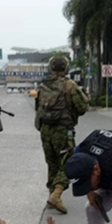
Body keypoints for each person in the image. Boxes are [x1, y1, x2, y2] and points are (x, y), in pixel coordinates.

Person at [32, 56, 89, 214]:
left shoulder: (43, 86)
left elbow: (38, 109)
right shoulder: (69, 85)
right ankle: (56, 194)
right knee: (67, 163)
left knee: (52, 164)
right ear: (66, 68)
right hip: (63, 130)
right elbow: (82, 107)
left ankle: (52, 196)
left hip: (46, 130)